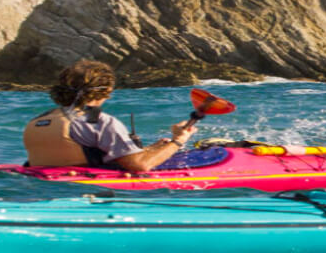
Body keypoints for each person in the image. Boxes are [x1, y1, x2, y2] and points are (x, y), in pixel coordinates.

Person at [23, 60, 198, 172]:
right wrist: (178, 141)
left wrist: (152, 149)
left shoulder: (39, 120)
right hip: (89, 189)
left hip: (44, 182)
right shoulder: (99, 121)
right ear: (105, 91)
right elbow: (140, 166)